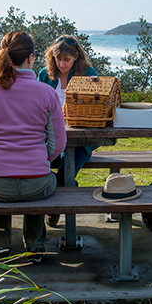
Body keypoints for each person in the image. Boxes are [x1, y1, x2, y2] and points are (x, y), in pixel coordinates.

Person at [0, 31, 66, 264]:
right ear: (31, 58)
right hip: (37, 182)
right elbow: (58, 144)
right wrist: (41, 158)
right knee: (39, 184)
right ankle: (35, 246)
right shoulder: (47, 93)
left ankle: (0, 246)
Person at [37, 35, 98, 226]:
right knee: (37, 166)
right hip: (49, 137)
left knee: (66, 167)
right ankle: (64, 191)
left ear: (76, 58)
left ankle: (54, 207)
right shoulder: (44, 75)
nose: (62, 64)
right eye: (58, 59)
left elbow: (97, 105)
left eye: (67, 60)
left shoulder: (88, 73)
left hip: (80, 139)